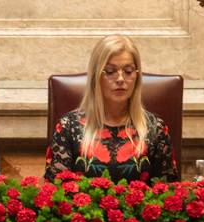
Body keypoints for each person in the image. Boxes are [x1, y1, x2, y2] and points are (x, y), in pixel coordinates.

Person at [44, 34, 178, 182]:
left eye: (128, 71)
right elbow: (54, 194)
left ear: (137, 76)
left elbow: (169, 194)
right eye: (110, 71)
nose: (120, 79)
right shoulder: (68, 127)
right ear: (96, 77)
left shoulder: (155, 128)